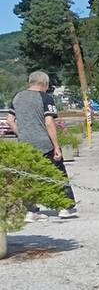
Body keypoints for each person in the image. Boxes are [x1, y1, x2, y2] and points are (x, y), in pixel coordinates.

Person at [6, 71, 77, 221]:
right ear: (44, 84)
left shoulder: (17, 97)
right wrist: (57, 146)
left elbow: (10, 120)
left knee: (28, 177)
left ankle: (31, 211)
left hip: (24, 145)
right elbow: (49, 122)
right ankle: (65, 207)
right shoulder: (46, 98)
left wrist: (22, 134)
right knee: (57, 174)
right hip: (44, 144)